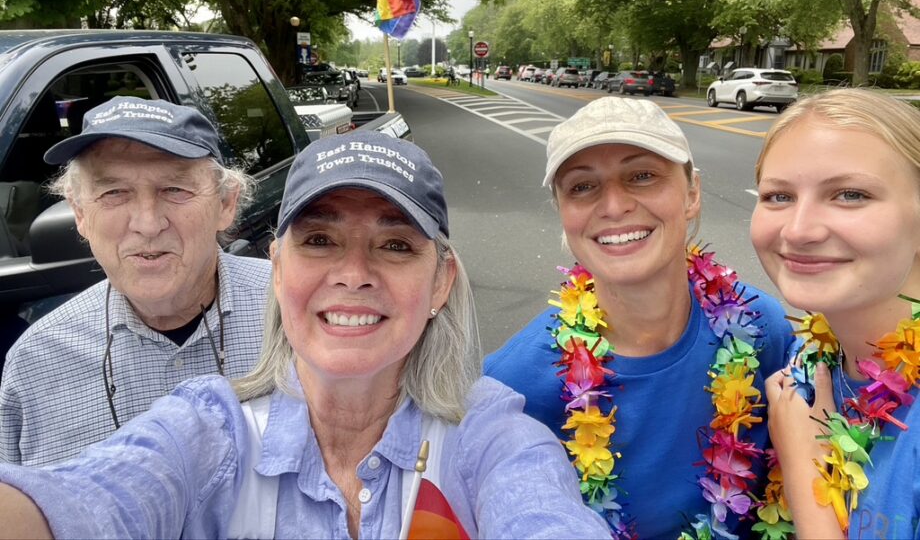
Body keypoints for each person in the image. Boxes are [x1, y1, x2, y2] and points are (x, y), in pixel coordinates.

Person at [0, 131, 611, 539]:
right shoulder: (210, 430)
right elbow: (84, 500)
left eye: (395, 245)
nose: (353, 275)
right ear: (276, 268)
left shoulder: (490, 438)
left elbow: (541, 513)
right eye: (319, 240)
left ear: (441, 282)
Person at [484, 97, 794, 538]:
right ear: (562, 212)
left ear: (691, 193)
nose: (614, 206)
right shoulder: (513, 385)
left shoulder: (762, 329)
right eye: (582, 187)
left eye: (642, 176)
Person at [0, 97, 270, 466]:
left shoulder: (298, 315)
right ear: (80, 213)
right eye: (114, 193)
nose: (147, 223)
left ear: (226, 204)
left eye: (175, 190)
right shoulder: (35, 365)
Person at [754, 89, 920, 539]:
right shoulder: (804, 362)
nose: (799, 229)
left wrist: (806, 472)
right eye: (778, 196)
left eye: (850, 194)